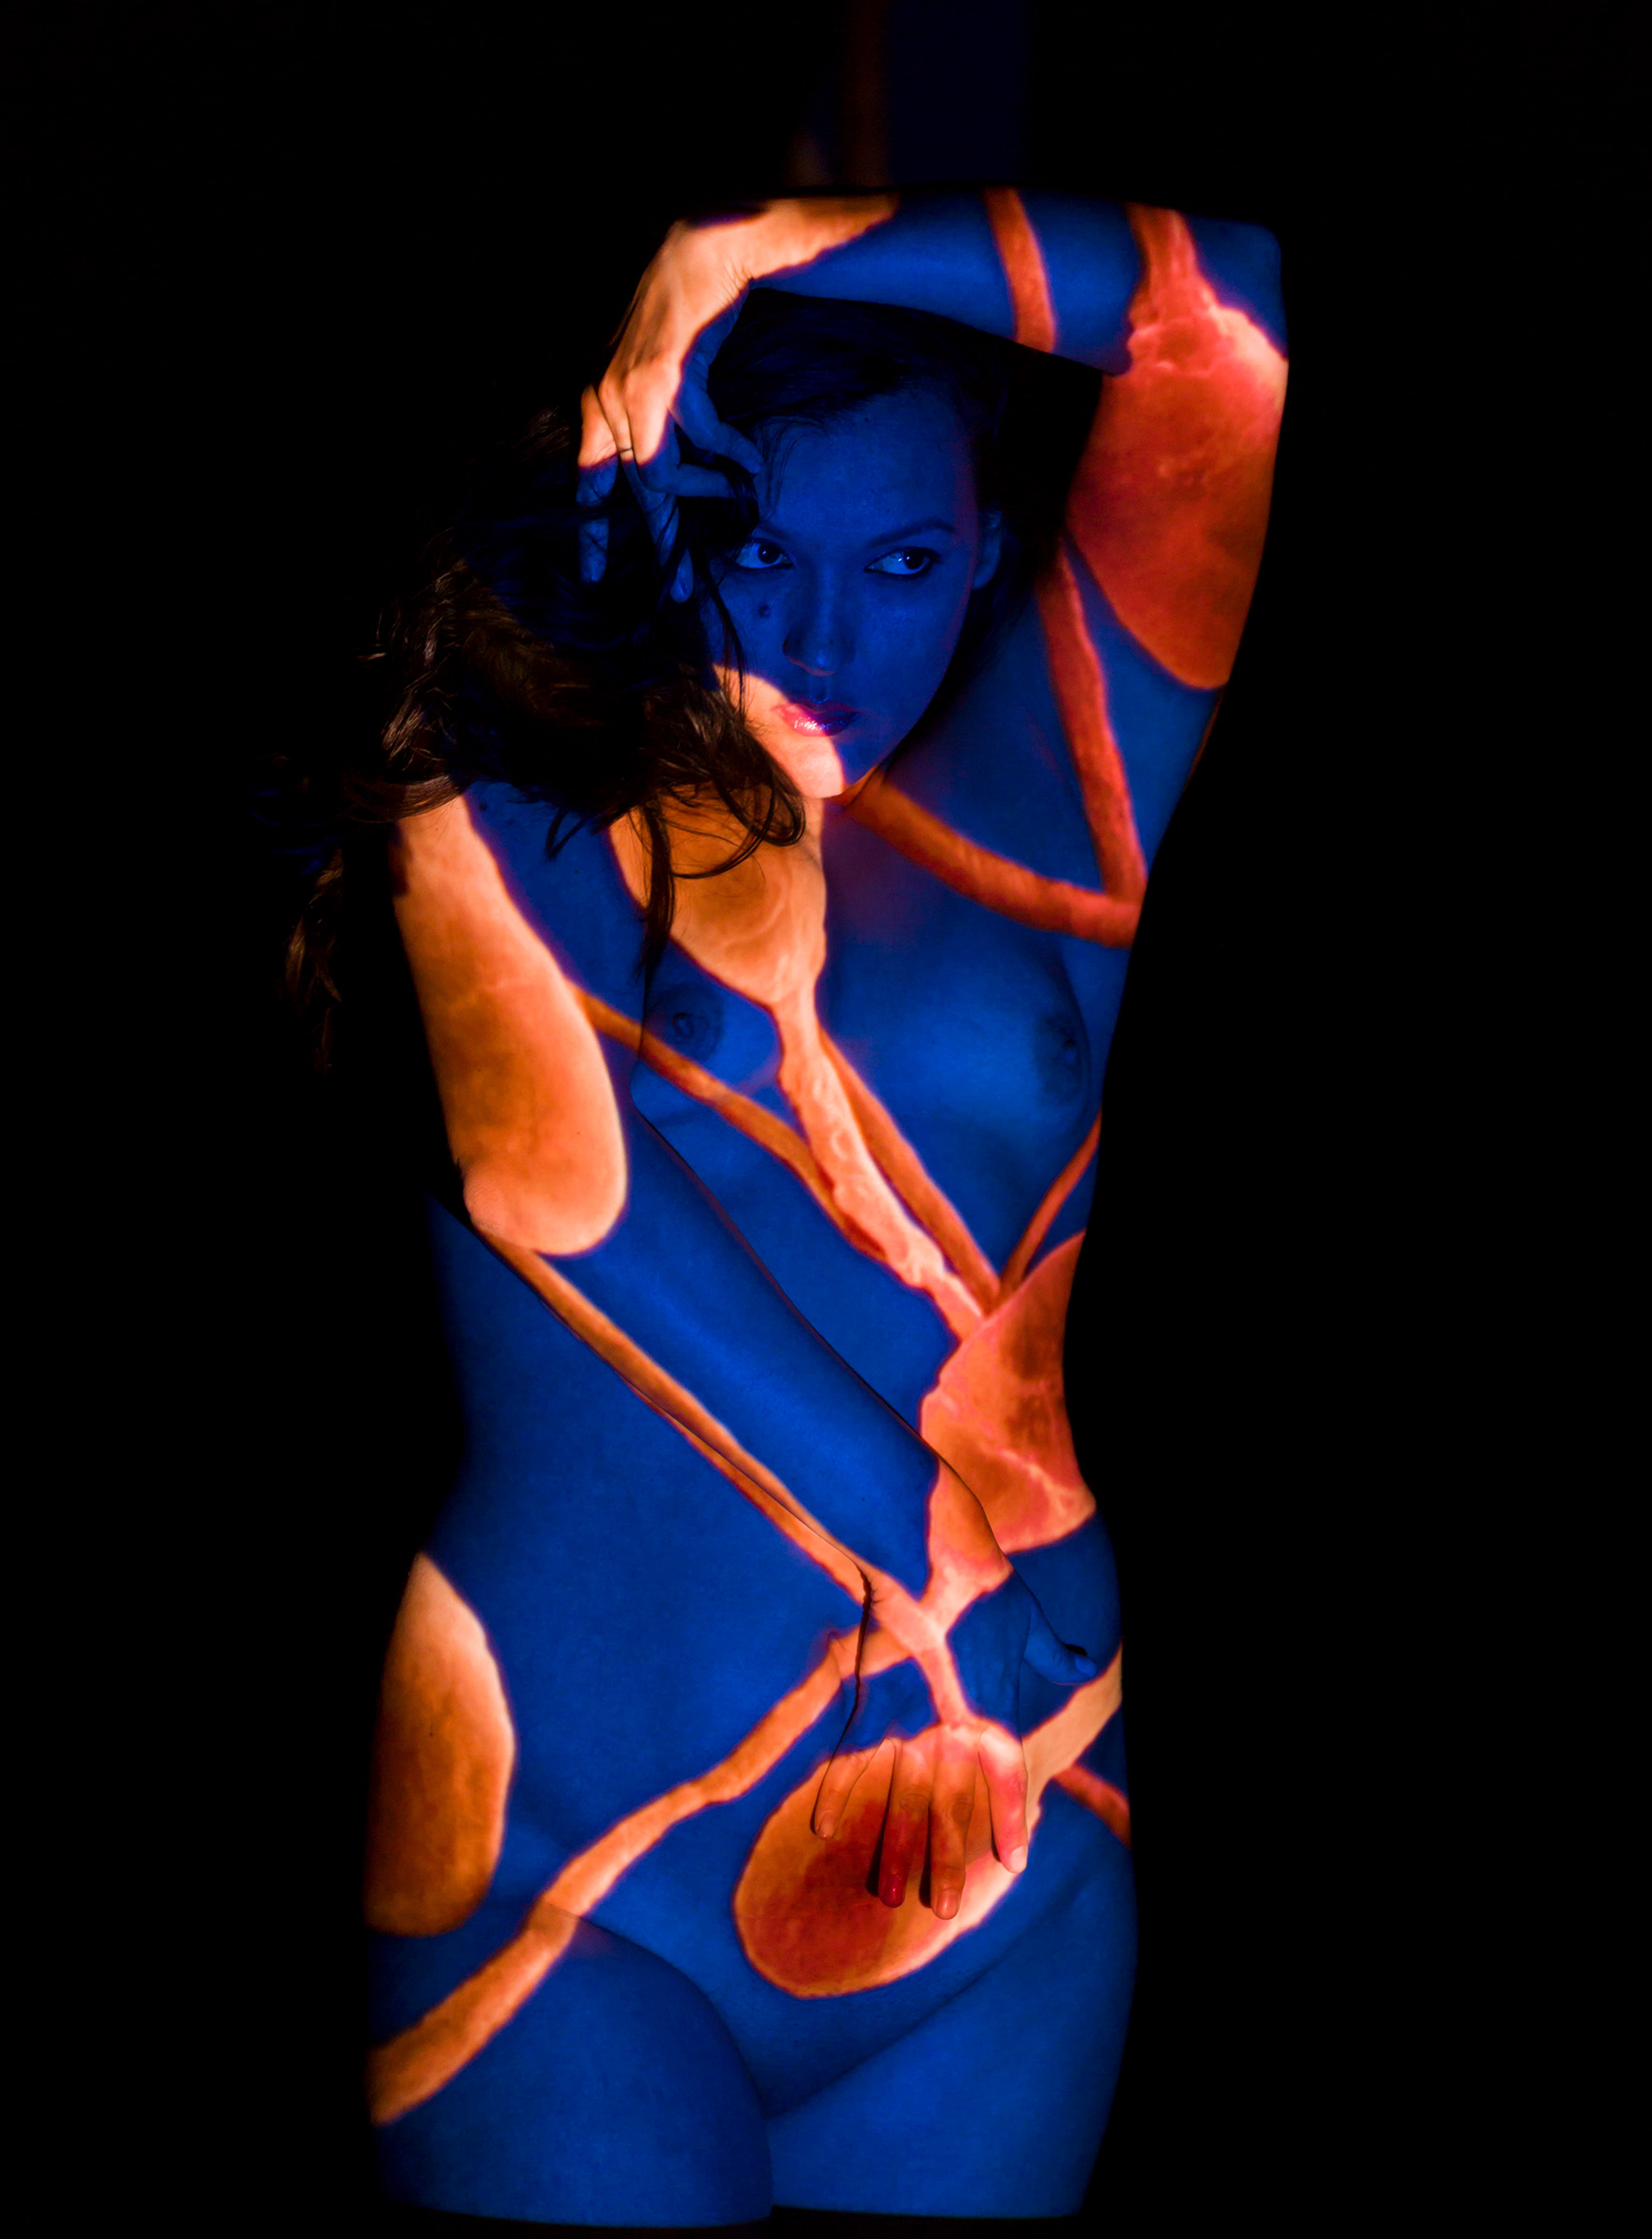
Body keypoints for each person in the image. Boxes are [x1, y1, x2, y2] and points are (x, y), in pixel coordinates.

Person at [345, 186, 1285, 2227]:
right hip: (574, 1870)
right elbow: (557, 1189)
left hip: (1019, 1855)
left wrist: (760, 253)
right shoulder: (505, 778)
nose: (824, 640)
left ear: (991, 558)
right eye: (761, 551)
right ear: (664, 507)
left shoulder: (1062, 816)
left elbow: (1226, 319)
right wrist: (936, 1535)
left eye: (905, 562)